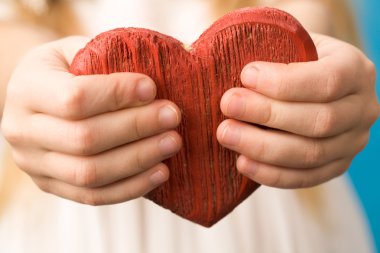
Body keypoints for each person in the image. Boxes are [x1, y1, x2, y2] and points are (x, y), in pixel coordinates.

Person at [0, 0, 379, 252]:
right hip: (68, 204)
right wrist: (28, 75)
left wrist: (306, 71)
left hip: (277, 187)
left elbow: (303, 8)